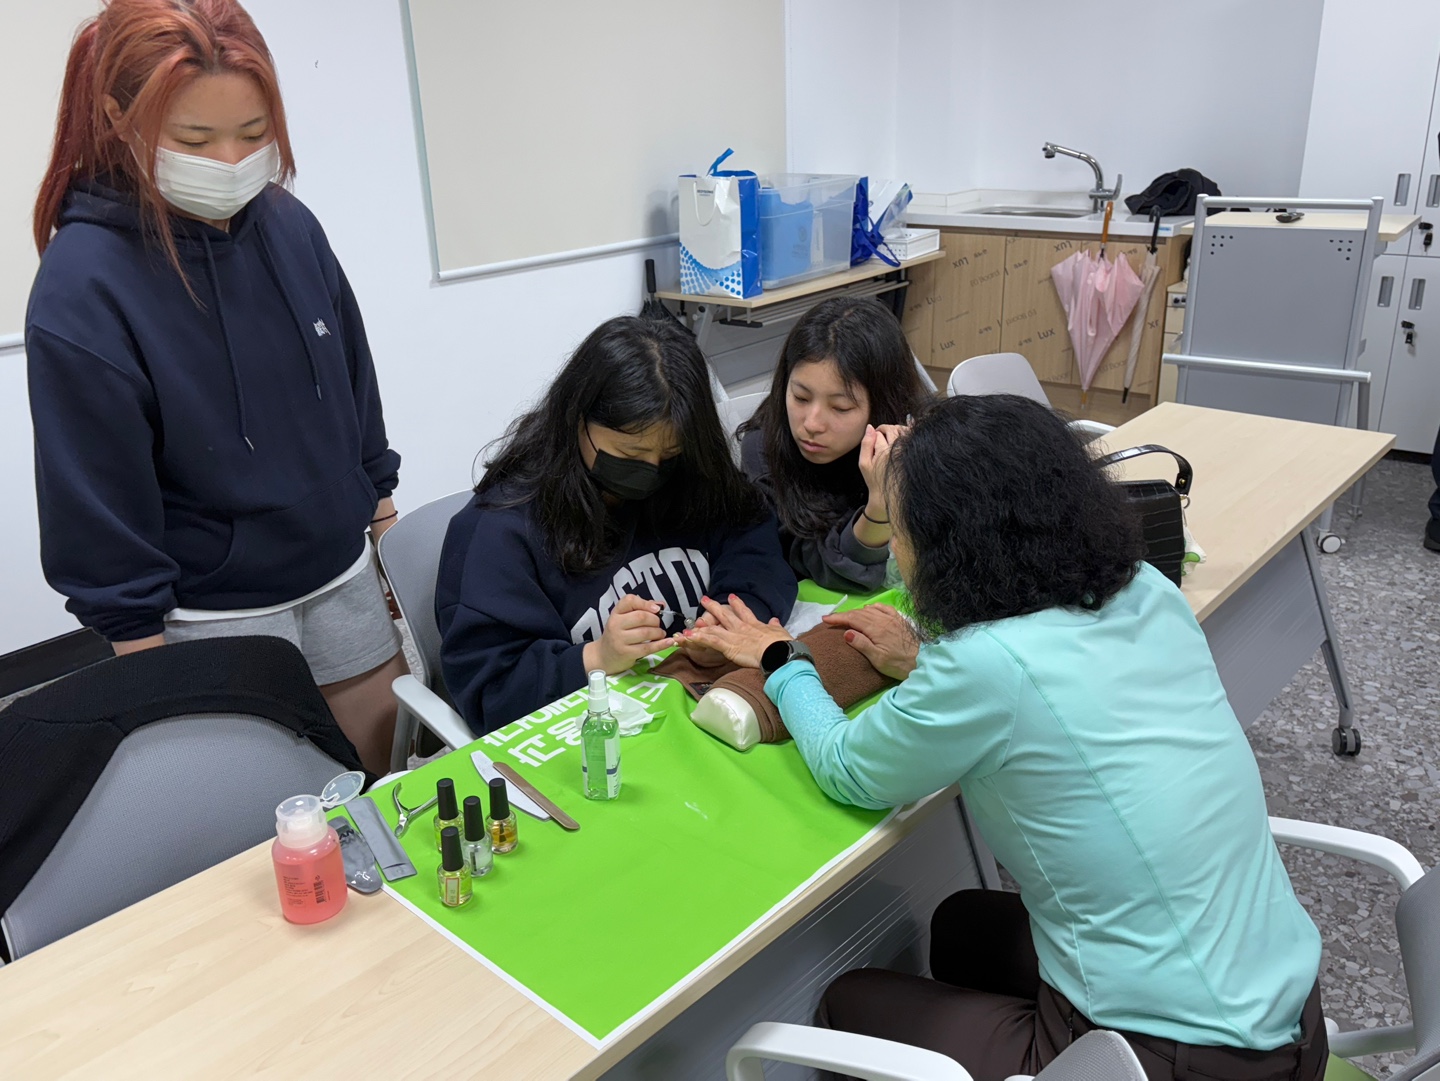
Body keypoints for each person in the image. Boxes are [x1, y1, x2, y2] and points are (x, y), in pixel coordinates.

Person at [688, 394, 1327, 1081]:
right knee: (960, 925)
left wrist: (782, 661)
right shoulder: (1145, 588)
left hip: (1179, 1062)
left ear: (952, 545)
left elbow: (849, 767)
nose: (895, 550)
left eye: (901, 531)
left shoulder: (987, 665)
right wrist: (922, 661)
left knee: (850, 999)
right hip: (1290, 1013)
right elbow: (1052, 689)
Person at [26, 0, 406, 774]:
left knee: (390, 784)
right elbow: (96, 507)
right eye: (195, 140)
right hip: (210, 613)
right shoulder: (84, 285)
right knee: (263, 826)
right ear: (117, 118)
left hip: (341, 574)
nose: (231, 161)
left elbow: (353, 382)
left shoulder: (291, 228)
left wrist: (384, 521)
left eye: (254, 133)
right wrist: (149, 680)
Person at [436, 316, 796, 735]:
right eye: (629, 455)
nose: (651, 471)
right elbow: (491, 688)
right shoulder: (499, 532)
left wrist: (732, 622)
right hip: (587, 731)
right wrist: (597, 657)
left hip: (697, 705)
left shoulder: (692, 476)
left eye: (669, 454)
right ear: (577, 420)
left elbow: (754, 543)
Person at [738, 296, 932, 593]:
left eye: (840, 407)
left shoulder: (916, 435)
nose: (812, 424)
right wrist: (880, 504)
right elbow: (820, 566)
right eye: (801, 397)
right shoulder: (764, 450)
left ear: (885, 403)